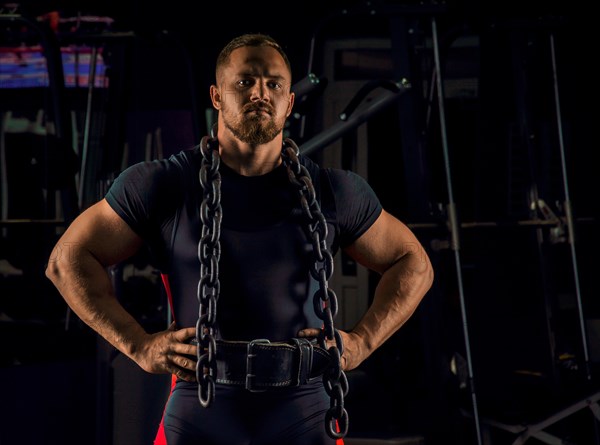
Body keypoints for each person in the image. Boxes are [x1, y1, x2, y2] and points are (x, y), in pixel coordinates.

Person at [45, 33, 434, 445]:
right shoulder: (161, 184)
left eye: (274, 84)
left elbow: (414, 263)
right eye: (245, 82)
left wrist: (362, 342)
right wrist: (138, 345)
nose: (260, 93)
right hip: (202, 405)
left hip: (303, 409)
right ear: (216, 96)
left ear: (289, 101)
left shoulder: (335, 191)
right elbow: (66, 260)